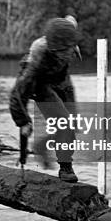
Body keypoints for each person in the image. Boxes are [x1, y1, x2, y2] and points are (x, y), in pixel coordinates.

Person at [9, 16, 80, 182]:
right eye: (61, 53)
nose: (66, 55)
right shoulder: (38, 55)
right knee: (65, 124)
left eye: (68, 51)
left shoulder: (67, 33)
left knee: (74, 125)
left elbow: (70, 20)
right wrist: (23, 121)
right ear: (53, 49)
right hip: (39, 84)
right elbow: (18, 94)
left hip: (61, 80)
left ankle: (42, 145)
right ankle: (65, 169)